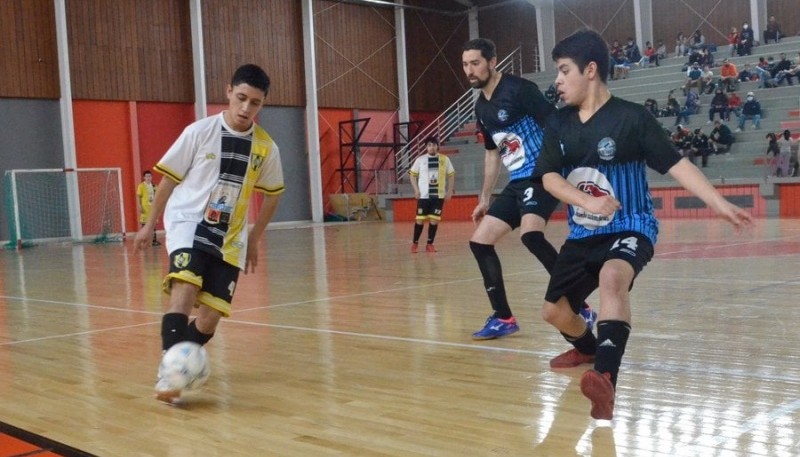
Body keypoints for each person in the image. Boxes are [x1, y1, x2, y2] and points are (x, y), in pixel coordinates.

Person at [537, 28, 753, 420]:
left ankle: (605, 379)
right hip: (583, 233)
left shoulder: (631, 119)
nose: (557, 80)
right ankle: (587, 347)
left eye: (563, 70)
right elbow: (549, 177)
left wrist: (717, 202)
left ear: (590, 71)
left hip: (630, 227)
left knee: (612, 280)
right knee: (554, 312)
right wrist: (587, 200)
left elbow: (677, 164)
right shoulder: (558, 124)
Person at [134, 64, 285, 404]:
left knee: (209, 320)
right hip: (188, 223)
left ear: (263, 104)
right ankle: (169, 373)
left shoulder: (266, 148)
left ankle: (180, 363)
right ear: (229, 91)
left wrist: (254, 238)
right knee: (184, 288)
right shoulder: (199, 132)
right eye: (242, 98)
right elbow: (170, 178)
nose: (246, 108)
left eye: (255, 103)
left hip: (230, 238)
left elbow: (273, 194)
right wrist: (149, 223)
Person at [461, 37, 595, 340]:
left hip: (542, 174)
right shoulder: (481, 106)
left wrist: (564, 168)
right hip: (517, 181)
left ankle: (581, 306)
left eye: (475, 63)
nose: (469, 70)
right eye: (466, 65)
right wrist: (485, 198)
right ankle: (503, 317)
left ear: (492, 62)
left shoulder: (520, 90)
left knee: (531, 235)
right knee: (480, 242)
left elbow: (556, 125)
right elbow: (492, 153)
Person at [408, 136, 455, 253]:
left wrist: (449, 190)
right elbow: (412, 175)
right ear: (426, 147)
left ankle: (430, 244)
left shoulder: (445, 159)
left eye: (434, 145)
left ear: (437, 146)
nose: (432, 147)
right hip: (424, 196)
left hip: (438, 196)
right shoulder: (420, 160)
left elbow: (451, 175)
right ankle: (415, 243)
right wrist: (416, 190)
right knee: (419, 220)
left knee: (434, 221)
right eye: (429, 145)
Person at [136, 170, 160, 246]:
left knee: (153, 223)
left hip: (153, 208)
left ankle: (154, 240)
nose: (148, 178)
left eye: (149, 176)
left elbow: (158, 196)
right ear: (144, 177)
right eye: (146, 176)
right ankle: (144, 240)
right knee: (144, 224)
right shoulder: (141, 186)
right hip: (145, 208)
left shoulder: (154, 186)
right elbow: (138, 197)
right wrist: (139, 206)